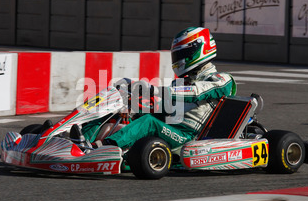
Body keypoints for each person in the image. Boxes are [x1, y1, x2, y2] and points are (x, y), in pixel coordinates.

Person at [72, 27, 237, 150]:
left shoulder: (222, 80)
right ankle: (76, 140)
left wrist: (155, 90)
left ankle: (100, 148)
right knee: (117, 112)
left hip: (188, 137)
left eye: (182, 55)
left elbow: (197, 92)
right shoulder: (180, 83)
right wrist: (132, 107)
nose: (179, 60)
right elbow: (164, 109)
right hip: (170, 126)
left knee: (148, 122)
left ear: (199, 50)